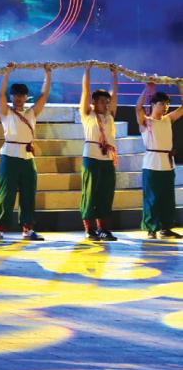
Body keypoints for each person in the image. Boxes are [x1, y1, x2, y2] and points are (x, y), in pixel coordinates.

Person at [0, 65, 51, 241]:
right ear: (12, 96)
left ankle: (27, 229)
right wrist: (7, 73)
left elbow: (44, 95)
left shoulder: (31, 112)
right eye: (15, 95)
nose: (18, 98)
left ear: (26, 97)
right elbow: (0, 95)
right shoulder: (6, 112)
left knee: (28, 194)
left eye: (21, 95)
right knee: (5, 194)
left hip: (27, 157)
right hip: (9, 156)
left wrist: (47, 74)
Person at [135, 83, 183, 238]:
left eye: (167, 104)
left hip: (167, 164)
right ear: (153, 104)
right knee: (151, 198)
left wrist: (181, 87)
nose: (165, 107)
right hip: (152, 165)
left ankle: (166, 228)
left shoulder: (168, 119)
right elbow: (138, 108)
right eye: (162, 103)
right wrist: (146, 89)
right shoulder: (146, 121)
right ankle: (151, 229)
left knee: (167, 198)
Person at [79, 63, 120, 241]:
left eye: (107, 101)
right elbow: (85, 91)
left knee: (106, 194)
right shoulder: (87, 114)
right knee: (90, 193)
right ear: (94, 102)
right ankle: (89, 229)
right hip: (91, 157)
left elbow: (115, 94)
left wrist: (114, 75)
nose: (106, 104)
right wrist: (87, 71)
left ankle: (103, 228)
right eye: (102, 101)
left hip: (107, 159)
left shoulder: (110, 116)